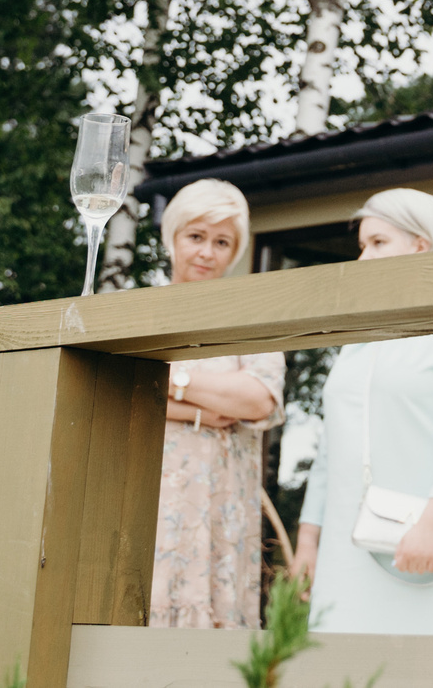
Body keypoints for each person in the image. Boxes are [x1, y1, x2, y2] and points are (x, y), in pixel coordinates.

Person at [297, 189, 433, 636]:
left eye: (378, 243)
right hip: (344, 547)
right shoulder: (359, 339)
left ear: (421, 245)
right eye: (362, 247)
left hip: (427, 541)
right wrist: (308, 540)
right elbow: (332, 446)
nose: (363, 259)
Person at [148, 179, 287, 629]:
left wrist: (174, 380)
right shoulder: (138, 310)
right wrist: (210, 408)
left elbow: (258, 399)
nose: (207, 252)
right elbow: (118, 394)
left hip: (222, 504)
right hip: (149, 492)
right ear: (172, 237)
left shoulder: (253, 314)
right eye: (196, 237)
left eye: (222, 241)